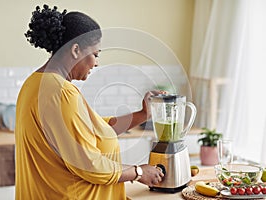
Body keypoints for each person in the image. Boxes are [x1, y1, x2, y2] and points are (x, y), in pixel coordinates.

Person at [15, 4, 164, 200]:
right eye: (95, 54)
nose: (97, 62)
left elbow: (96, 130)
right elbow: (89, 165)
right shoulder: (60, 92)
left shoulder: (34, 83)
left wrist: (143, 114)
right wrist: (139, 172)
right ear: (76, 50)